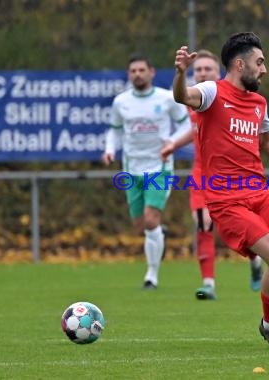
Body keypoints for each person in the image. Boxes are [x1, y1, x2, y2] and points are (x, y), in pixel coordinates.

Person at [170, 32, 269, 349]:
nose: (265, 69)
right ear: (240, 64)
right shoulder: (213, 92)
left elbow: (267, 143)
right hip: (226, 201)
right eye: (260, 62)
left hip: (259, 192)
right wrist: (180, 73)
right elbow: (182, 97)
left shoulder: (258, 103)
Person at [162, 49, 264, 301]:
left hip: (232, 177)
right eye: (198, 70)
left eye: (207, 69)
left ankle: (255, 259)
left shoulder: (222, 96)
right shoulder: (194, 100)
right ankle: (208, 283)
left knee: (242, 228)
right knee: (203, 226)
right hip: (201, 175)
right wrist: (173, 145)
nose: (202, 72)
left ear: (218, 72)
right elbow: (194, 129)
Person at [102, 54, 191, 290]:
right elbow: (114, 130)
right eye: (133, 71)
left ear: (151, 72)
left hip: (159, 167)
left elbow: (185, 123)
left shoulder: (166, 98)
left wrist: (171, 141)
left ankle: (151, 276)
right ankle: (158, 235)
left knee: (151, 218)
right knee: (141, 225)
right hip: (132, 169)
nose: (137, 74)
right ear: (129, 74)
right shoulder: (121, 102)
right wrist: (110, 150)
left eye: (142, 70)